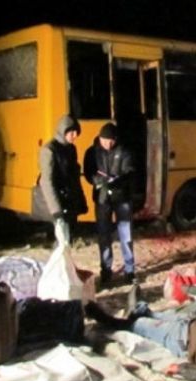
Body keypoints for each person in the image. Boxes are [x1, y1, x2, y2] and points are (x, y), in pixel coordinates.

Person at [83, 123, 136, 284]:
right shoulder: (92, 152)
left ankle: (129, 270)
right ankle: (106, 270)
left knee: (126, 234)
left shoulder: (124, 150)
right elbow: (88, 173)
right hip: (102, 198)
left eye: (111, 141)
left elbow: (130, 171)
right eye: (105, 140)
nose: (108, 144)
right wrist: (98, 180)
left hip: (122, 197)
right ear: (100, 138)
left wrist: (118, 180)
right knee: (104, 235)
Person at [38, 114, 88, 244]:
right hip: (57, 204)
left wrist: (80, 201)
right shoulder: (49, 150)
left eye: (76, 133)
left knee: (68, 240)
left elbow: (74, 178)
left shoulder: (71, 149)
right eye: (72, 133)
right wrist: (56, 211)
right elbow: (47, 182)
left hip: (69, 202)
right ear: (63, 131)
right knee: (60, 241)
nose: (75, 136)